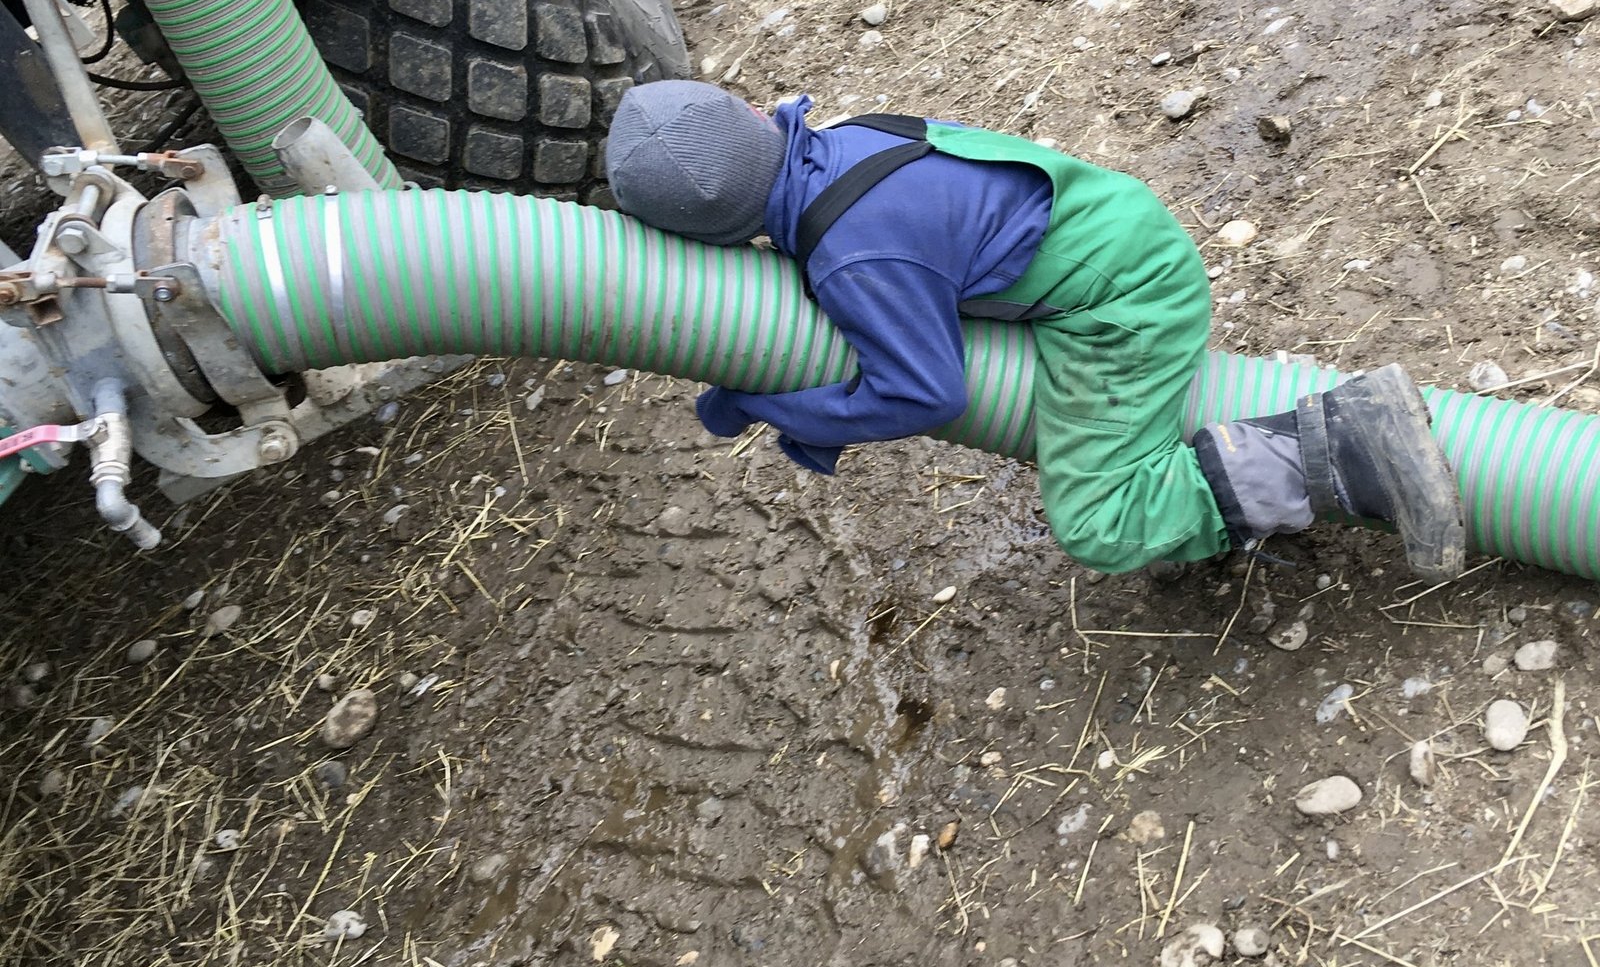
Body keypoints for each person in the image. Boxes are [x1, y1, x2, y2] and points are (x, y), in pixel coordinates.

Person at [604, 80, 1465, 578]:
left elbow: (923, 393)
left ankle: (1344, 447)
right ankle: (1245, 486)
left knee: (1101, 522)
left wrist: (773, 406)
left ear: (717, 241)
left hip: (1124, 302)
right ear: (755, 116)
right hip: (1111, 226)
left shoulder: (854, 257)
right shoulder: (843, 140)